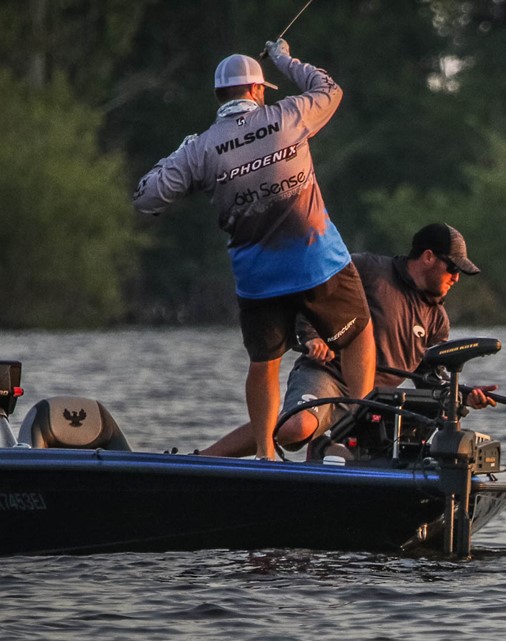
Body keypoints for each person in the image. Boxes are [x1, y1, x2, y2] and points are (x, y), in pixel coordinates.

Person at [132, 39, 376, 460]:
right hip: (318, 262)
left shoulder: (200, 148)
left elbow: (146, 198)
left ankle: (264, 454)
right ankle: (361, 430)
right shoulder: (290, 115)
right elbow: (330, 89)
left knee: (265, 364)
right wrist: (283, 58)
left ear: (218, 97)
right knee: (358, 335)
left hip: (258, 279)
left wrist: (188, 156)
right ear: (259, 91)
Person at [201, 223, 496, 457]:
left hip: (372, 401)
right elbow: (314, 291)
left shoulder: (437, 319)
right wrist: (312, 336)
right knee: (296, 428)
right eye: (453, 268)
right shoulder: (368, 269)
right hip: (327, 375)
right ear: (429, 257)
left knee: (375, 455)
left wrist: (463, 395)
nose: (456, 278)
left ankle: (323, 448)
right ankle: (203, 459)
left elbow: (430, 378)